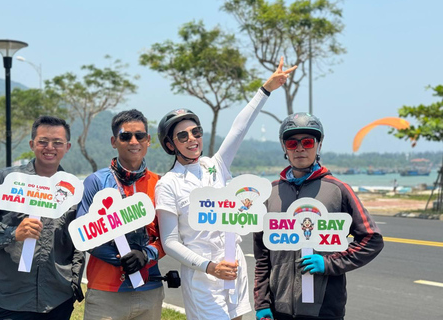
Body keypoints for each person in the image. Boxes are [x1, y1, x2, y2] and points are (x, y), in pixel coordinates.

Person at [155, 57, 297, 320]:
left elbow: (239, 128)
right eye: (182, 136)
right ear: (170, 144)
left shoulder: (216, 165)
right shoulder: (168, 184)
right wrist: (209, 267)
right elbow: (170, 242)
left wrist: (265, 90)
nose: (192, 139)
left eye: (195, 132)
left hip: (234, 267)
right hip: (202, 276)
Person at [253, 112, 384, 320]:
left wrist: (330, 263)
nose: (300, 148)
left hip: (324, 309)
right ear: (284, 147)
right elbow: (262, 256)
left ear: (318, 145)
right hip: (279, 308)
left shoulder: (338, 190)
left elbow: (371, 239)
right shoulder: (270, 194)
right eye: (291, 143)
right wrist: (261, 303)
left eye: (307, 141)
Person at [0, 116, 84, 320]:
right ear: (32, 144)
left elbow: (78, 242)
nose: (50, 147)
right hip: (8, 300)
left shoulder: (73, 190)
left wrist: (72, 282)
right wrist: (12, 233)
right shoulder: (7, 180)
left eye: (57, 143)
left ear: (68, 146)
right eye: (43, 141)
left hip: (56, 301)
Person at [76, 109, 165, 320]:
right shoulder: (95, 182)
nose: (133, 141)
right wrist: (119, 258)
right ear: (114, 141)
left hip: (149, 289)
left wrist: (146, 255)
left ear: (148, 140)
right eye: (125, 136)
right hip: (106, 292)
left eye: (140, 136)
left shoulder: (160, 184)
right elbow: (83, 235)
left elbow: (169, 236)